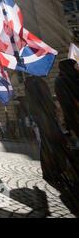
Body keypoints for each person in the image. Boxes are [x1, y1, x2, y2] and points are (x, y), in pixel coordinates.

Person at [25, 76, 79, 211]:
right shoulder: (36, 83)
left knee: (49, 145)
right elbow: (46, 102)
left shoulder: (31, 86)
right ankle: (56, 170)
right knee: (54, 144)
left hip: (44, 119)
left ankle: (52, 170)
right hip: (46, 119)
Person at [55, 59, 79, 137]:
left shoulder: (73, 77)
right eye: (75, 65)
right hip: (74, 112)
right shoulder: (62, 80)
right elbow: (66, 99)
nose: (77, 67)